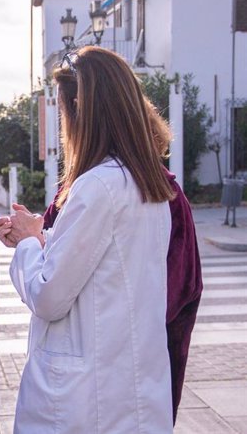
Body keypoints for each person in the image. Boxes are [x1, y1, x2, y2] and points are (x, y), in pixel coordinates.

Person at [0, 46, 176, 433]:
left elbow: (49, 297)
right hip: (131, 389)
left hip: (88, 401)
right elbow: (102, 269)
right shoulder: (147, 183)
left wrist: (28, 242)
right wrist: (42, 235)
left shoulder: (97, 187)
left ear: (80, 110)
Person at [37, 99, 203, 424]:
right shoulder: (154, 186)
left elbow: (179, 286)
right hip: (133, 364)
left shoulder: (103, 186)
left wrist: (33, 244)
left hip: (108, 369)